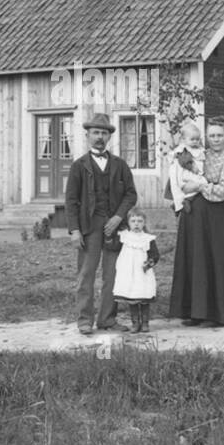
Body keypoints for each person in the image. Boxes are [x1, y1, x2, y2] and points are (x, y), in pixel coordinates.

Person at [169, 116, 224, 327]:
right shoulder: (197, 154)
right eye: (212, 135)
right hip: (194, 215)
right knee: (196, 260)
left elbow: (223, 191)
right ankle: (196, 312)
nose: (215, 139)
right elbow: (178, 171)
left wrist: (198, 185)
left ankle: (219, 314)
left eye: (219, 135)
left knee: (217, 260)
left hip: (216, 217)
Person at [65, 113, 138, 335]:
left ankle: (107, 319)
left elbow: (130, 194)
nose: (100, 137)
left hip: (115, 228)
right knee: (86, 274)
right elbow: (71, 200)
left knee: (113, 275)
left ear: (109, 137)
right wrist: (75, 230)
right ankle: (84, 320)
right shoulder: (79, 166)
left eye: (104, 133)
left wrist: (118, 217)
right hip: (89, 227)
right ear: (87, 135)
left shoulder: (120, 165)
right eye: (95, 132)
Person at [114, 210, 161, 333]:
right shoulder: (124, 236)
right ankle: (135, 323)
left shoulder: (148, 239)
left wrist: (149, 263)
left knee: (143, 295)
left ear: (144, 223)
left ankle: (145, 323)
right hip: (128, 272)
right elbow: (115, 248)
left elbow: (155, 255)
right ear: (128, 223)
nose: (136, 224)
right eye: (133, 221)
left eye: (140, 221)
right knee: (132, 296)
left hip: (142, 272)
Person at [165, 120, 206, 216]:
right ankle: (182, 202)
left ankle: (181, 203)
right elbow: (183, 160)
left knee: (198, 186)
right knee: (199, 184)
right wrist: (192, 166)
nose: (195, 141)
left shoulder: (197, 149)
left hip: (193, 173)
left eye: (197, 139)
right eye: (192, 139)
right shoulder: (183, 149)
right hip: (187, 172)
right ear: (184, 139)